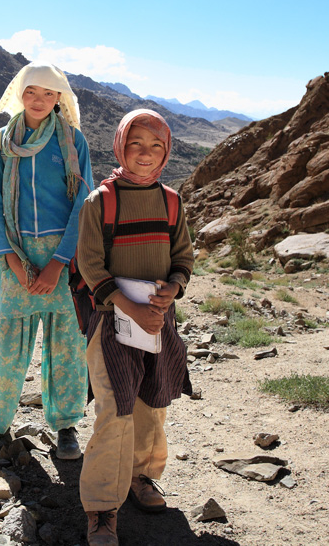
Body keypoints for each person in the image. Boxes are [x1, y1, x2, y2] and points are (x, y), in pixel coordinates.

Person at [76, 109, 194, 546]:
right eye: (136, 144)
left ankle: (142, 477)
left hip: (158, 322)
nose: (145, 154)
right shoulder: (101, 202)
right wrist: (130, 306)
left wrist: (172, 290)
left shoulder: (171, 201)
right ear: (120, 146)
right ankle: (102, 508)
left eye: (156, 146)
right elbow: (90, 266)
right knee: (115, 411)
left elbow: (183, 257)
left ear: (166, 151)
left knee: (152, 402)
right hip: (111, 324)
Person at [0, 61, 94, 460]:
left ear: (59, 98)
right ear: (18, 95)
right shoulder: (0, 143)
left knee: (68, 346)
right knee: (6, 342)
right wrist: (12, 259)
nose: (38, 101)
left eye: (48, 94)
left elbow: (84, 206)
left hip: (65, 261)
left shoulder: (73, 142)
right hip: (15, 258)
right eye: (31, 92)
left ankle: (66, 426)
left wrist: (59, 261)